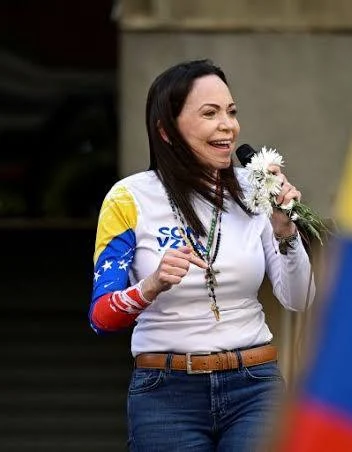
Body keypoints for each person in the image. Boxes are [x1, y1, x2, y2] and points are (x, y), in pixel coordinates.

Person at [88, 59, 315, 451]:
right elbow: (101, 317)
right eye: (210, 114)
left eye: (231, 112)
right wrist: (151, 285)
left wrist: (286, 233)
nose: (228, 126)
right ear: (166, 130)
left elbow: (300, 298)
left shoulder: (256, 189)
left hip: (254, 387)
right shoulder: (128, 198)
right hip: (165, 393)